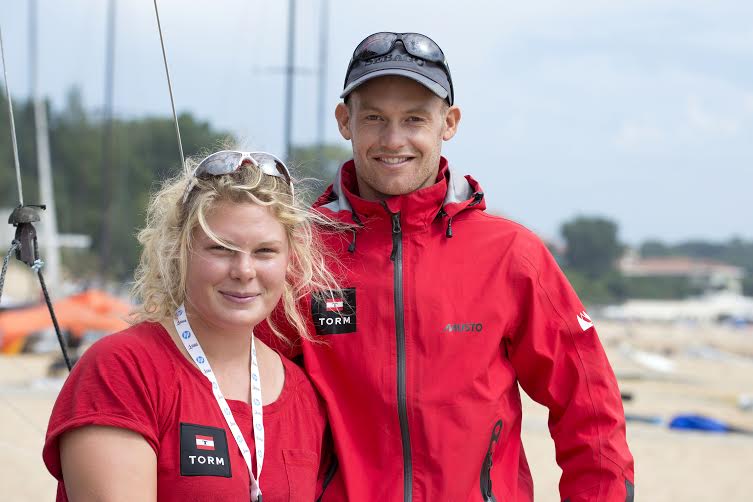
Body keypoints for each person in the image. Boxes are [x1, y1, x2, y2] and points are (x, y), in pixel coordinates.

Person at [260, 32, 635, 501]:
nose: (393, 140)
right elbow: (238, 393)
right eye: (374, 117)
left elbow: (589, 407)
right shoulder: (298, 254)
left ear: (449, 122)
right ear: (345, 121)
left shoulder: (512, 254)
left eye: (414, 119)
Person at [44, 150, 340, 501]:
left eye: (264, 252)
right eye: (221, 249)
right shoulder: (122, 370)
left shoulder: (302, 393)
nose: (244, 271)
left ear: (290, 258)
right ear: (180, 251)